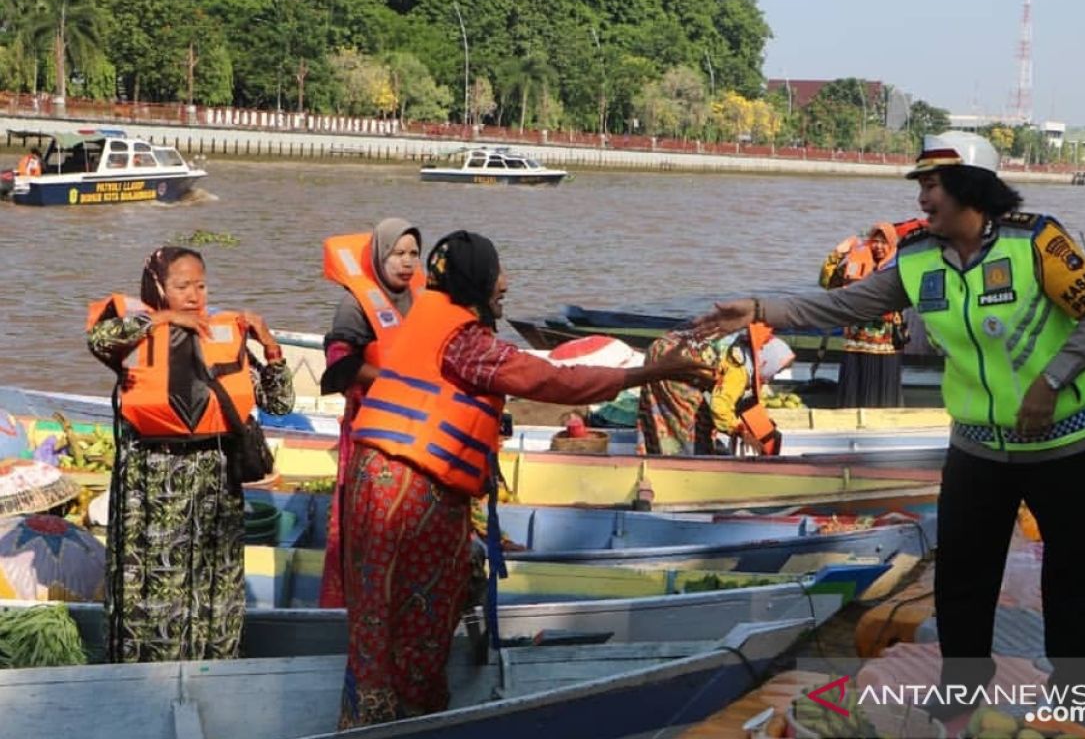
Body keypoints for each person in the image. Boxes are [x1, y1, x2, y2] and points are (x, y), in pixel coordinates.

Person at [693, 131, 1085, 724]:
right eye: (920, 184)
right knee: (963, 576)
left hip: (1069, 441)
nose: (921, 197)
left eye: (931, 184)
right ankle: (965, 684)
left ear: (970, 187)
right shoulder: (918, 258)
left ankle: (1074, 691)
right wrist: (760, 308)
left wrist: (1052, 380)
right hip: (978, 447)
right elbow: (845, 306)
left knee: (1073, 574)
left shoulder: (1036, 241)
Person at [338, 230, 714, 728]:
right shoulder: (464, 340)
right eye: (498, 274)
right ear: (475, 280)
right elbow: (550, 380)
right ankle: (403, 719)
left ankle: (378, 709)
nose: (505, 284)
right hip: (411, 491)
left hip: (381, 479)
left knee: (386, 609)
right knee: (416, 614)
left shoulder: (430, 318)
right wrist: (648, 372)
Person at [87, 246, 295, 662]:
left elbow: (279, 404)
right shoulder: (136, 332)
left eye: (200, 285)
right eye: (182, 286)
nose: (194, 295)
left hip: (213, 486)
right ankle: (143, 673)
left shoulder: (222, 334)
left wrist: (270, 345)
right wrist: (161, 319)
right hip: (150, 489)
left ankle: (212, 666)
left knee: (213, 583)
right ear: (159, 286)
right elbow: (98, 338)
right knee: (151, 586)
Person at [317, 218, 424, 608]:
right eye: (397, 254)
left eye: (413, 254)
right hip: (370, 428)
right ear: (380, 255)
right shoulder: (355, 304)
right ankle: (356, 603)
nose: (406, 262)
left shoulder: (421, 299)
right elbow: (338, 364)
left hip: (416, 428)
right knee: (367, 519)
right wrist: (391, 380)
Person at [637, 327, 793, 456]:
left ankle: (654, 451)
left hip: (663, 347)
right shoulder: (740, 370)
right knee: (692, 417)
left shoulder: (738, 346)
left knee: (659, 407)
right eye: (776, 371)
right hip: (677, 361)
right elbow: (719, 405)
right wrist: (739, 430)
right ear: (766, 362)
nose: (773, 376)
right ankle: (687, 462)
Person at [819, 222, 915, 408]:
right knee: (852, 398)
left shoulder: (901, 267)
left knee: (883, 399)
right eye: (875, 241)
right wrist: (839, 253)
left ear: (892, 244)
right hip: (855, 343)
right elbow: (826, 281)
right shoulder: (857, 263)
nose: (878, 246)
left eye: (884, 242)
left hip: (886, 346)